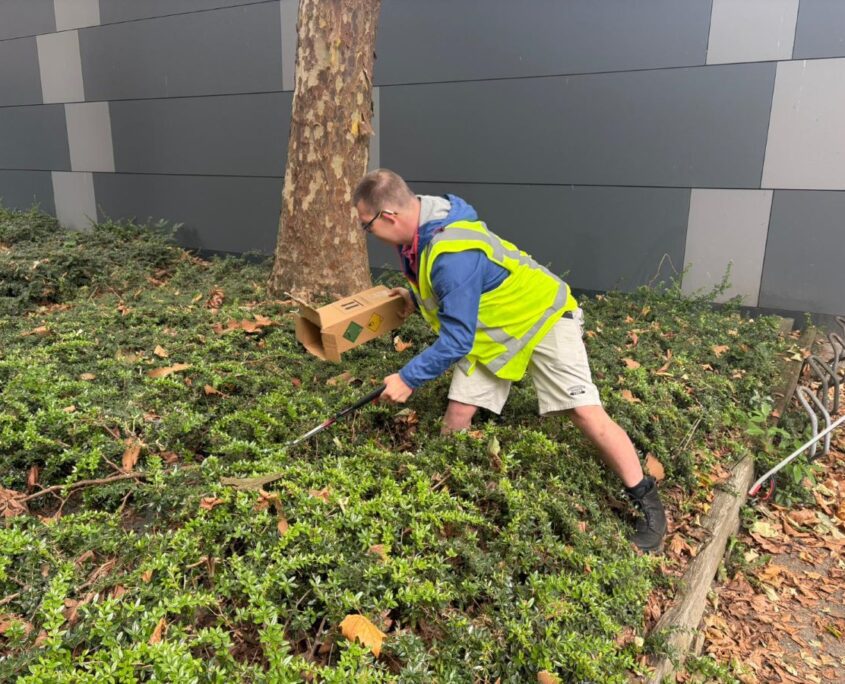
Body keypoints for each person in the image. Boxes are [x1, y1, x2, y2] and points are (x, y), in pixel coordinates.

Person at [353, 169, 667, 553]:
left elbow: (455, 337)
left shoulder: (452, 253)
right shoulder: (421, 230)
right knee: (457, 415)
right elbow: (456, 298)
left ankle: (648, 502)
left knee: (585, 413)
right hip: (494, 330)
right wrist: (414, 296)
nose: (368, 236)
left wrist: (407, 378)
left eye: (366, 227)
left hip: (542, 319)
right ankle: (445, 505)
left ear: (388, 217)